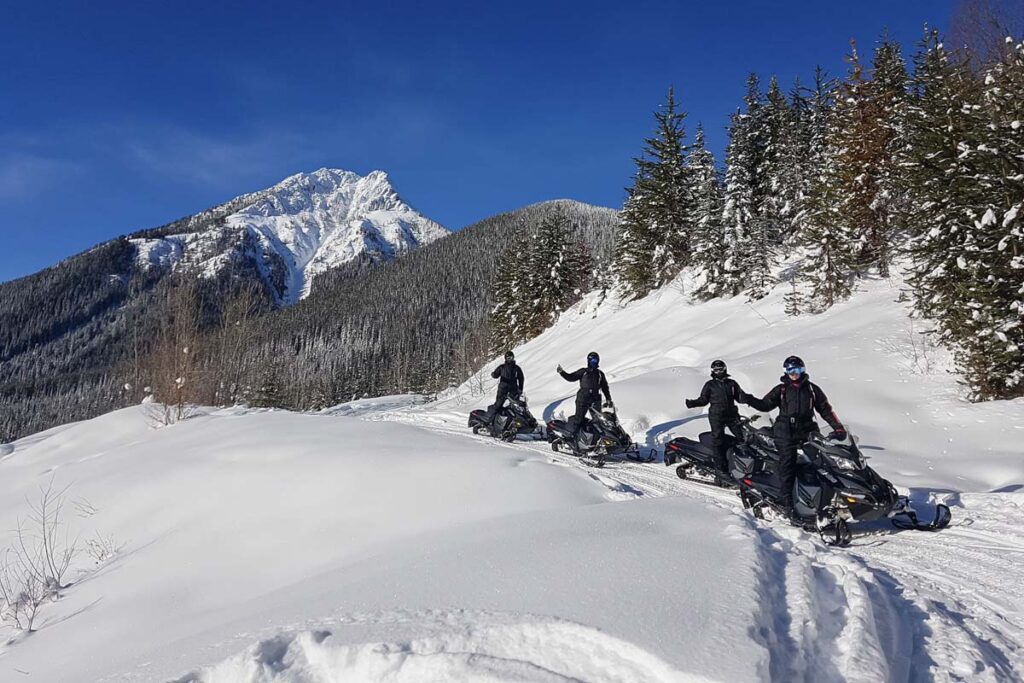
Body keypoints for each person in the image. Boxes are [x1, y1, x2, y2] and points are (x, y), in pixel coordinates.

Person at [744, 355, 847, 513]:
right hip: (785, 431)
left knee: (821, 463)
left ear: (803, 370)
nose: (793, 373)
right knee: (788, 464)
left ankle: (824, 496)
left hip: (808, 431)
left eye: (797, 369)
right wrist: (749, 399)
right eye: (789, 370)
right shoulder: (782, 389)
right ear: (785, 372)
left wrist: (838, 428)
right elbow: (765, 405)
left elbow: (826, 410)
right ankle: (786, 500)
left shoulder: (812, 389)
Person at [675, 360, 747, 477]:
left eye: (721, 369)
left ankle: (743, 464)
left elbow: (740, 396)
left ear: (725, 369)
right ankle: (720, 469)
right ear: (712, 371)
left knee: (742, 438)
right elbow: (704, 400)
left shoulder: (732, 384)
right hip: (716, 416)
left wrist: (751, 400)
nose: (719, 372)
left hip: (732, 415)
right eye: (716, 370)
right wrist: (692, 403)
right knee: (718, 440)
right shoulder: (710, 385)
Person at [557, 351, 612, 435]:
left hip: (595, 398)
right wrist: (562, 372)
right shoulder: (583, 371)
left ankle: (597, 440)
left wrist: (608, 399)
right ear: (589, 361)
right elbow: (571, 377)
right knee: (579, 420)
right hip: (583, 398)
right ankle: (572, 437)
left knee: (598, 421)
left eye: (596, 360)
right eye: (593, 360)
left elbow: (605, 387)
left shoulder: (600, 374)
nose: (595, 362)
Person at [489, 351, 524, 430]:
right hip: (503, 389)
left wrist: (520, 389)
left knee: (515, 407)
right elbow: (496, 375)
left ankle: (515, 424)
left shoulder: (517, 368)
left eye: (511, 357)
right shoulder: (502, 367)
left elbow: (521, 379)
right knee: (498, 405)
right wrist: (493, 374)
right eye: (508, 358)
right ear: (505, 358)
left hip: (513, 390)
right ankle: (491, 422)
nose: (510, 359)